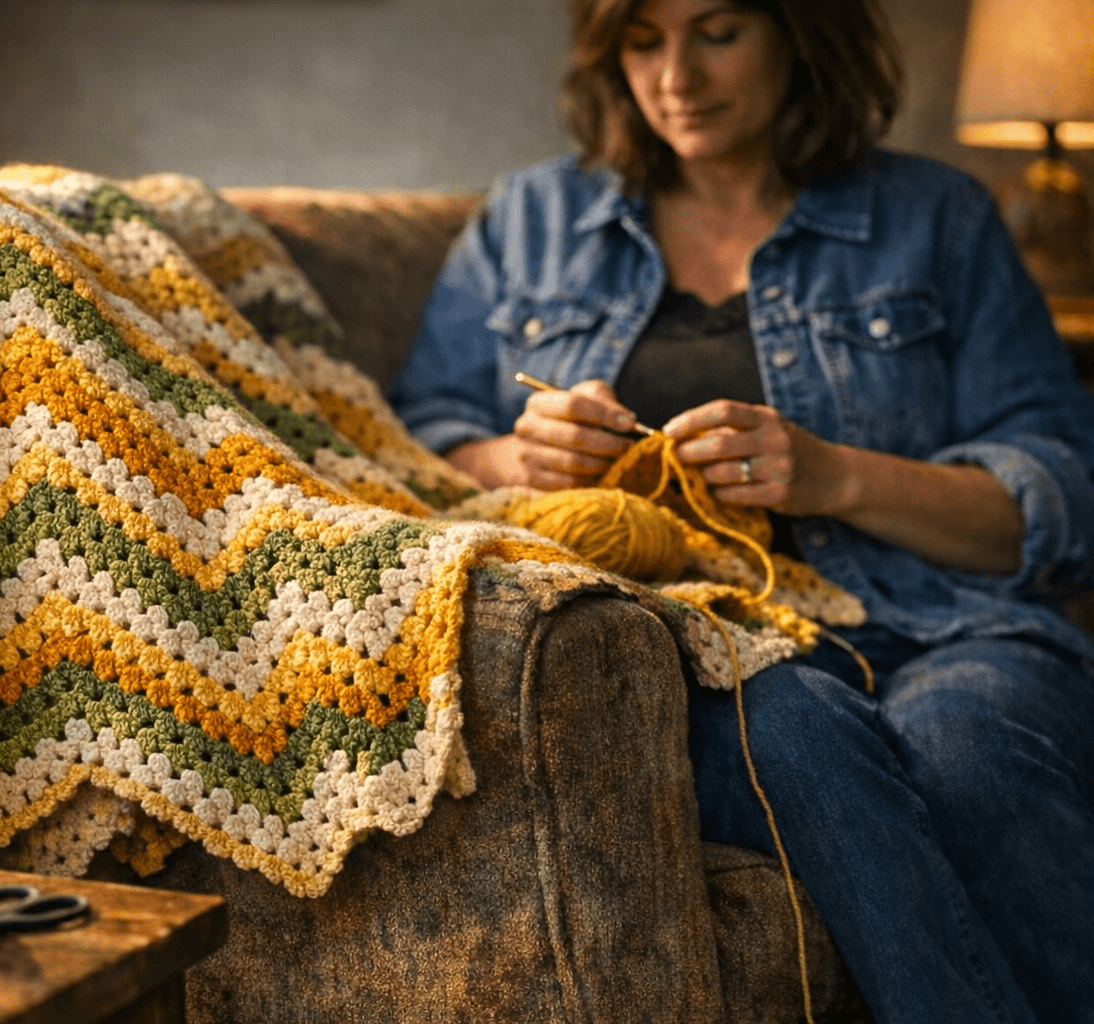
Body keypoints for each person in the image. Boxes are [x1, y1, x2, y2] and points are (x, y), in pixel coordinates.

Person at [389, 0, 1094, 1021]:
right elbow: (410, 444)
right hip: (705, 638)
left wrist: (834, 475)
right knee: (797, 732)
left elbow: (1063, 490)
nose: (676, 74)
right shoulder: (530, 219)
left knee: (966, 741)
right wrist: (518, 452)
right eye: (643, 39)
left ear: (801, 32)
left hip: (945, 618)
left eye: (718, 30)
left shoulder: (935, 217)